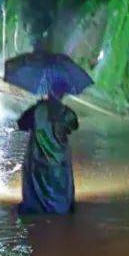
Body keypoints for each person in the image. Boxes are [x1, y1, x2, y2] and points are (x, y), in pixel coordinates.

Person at [17, 79, 79, 214]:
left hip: (38, 159)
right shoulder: (67, 113)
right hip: (59, 161)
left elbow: (21, 124)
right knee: (60, 187)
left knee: (36, 190)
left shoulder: (36, 110)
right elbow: (74, 126)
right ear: (62, 94)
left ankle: (37, 210)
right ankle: (61, 210)